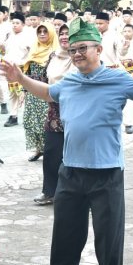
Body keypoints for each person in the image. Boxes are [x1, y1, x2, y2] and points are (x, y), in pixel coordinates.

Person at [2, 17, 133, 265]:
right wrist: (20, 78)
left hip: (106, 170)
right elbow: (48, 92)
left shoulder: (117, 78)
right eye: (74, 49)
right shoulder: (69, 82)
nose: (77, 54)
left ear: (98, 50)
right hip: (71, 169)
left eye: (83, 48)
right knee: (66, 228)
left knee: (108, 231)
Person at [32, 23, 75, 205]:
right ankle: (50, 191)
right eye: (62, 34)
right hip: (54, 112)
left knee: (74, 156)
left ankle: (75, 194)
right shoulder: (53, 56)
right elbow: (44, 79)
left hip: (75, 111)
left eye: (68, 33)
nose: (64, 37)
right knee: (51, 153)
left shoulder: (79, 56)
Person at [22, 22, 58, 162]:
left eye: (45, 31)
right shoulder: (33, 50)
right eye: (40, 32)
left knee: (45, 121)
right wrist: (24, 90)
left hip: (46, 91)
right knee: (30, 121)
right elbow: (28, 72)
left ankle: (48, 149)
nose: (42, 34)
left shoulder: (55, 52)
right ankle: (39, 149)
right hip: (32, 92)